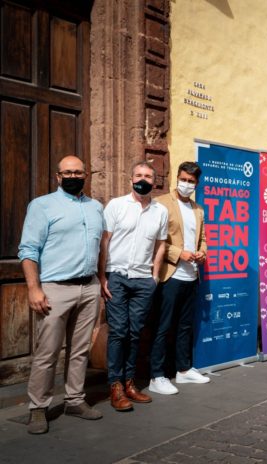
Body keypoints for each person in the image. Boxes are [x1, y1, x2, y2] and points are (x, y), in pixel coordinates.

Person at [18, 155, 104, 434]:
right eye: (67, 172)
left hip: (89, 287)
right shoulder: (42, 206)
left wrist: (100, 281)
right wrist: (34, 288)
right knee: (47, 352)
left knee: (80, 351)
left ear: (85, 175)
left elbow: (101, 248)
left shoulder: (95, 207)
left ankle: (75, 400)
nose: (73, 176)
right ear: (57, 176)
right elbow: (28, 250)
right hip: (55, 289)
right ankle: (38, 408)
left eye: (78, 172)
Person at [99, 161, 168, 411]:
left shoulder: (160, 211)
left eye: (148, 175)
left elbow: (161, 244)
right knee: (118, 332)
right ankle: (115, 386)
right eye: (138, 175)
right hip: (116, 276)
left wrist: (155, 276)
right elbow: (104, 242)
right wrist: (102, 277)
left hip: (143, 280)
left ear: (154, 181)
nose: (143, 179)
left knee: (135, 332)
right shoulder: (116, 205)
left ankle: (130, 383)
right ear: (131, 179)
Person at [148, 162, 210, 396]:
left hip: (192, 275)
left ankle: (183, 370)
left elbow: (202, 238)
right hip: (170, 275)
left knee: (185, 326)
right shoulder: (162, 203)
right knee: (163, 326)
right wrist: (178, 254)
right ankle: (157, 375)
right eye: (183, 179)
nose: (186, 184)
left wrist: (202, 253)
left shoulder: (198, 209)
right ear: (177, 178)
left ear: (196, 183)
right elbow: (156, 240)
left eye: (191, 181)